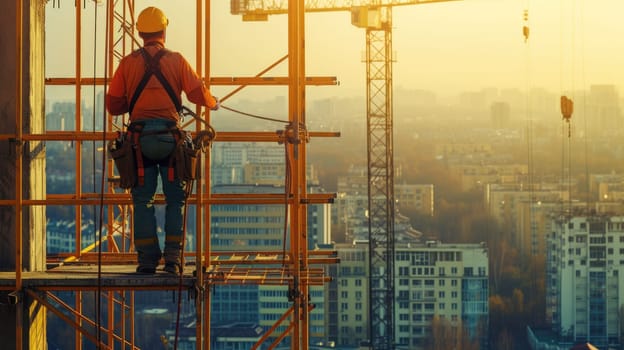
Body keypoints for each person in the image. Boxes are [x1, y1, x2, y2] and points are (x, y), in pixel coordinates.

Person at [106, 6, 219, 274]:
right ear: (164, 31)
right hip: (170, 141)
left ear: (140, 33)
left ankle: (146, 260)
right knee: (175, 200)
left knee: (141, 200)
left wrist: (137, 98)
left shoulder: (128, 63)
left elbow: (113, 105)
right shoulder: (177, 60)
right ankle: (172, 260)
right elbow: (197, 94)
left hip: (139, 142)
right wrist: (213, 103)